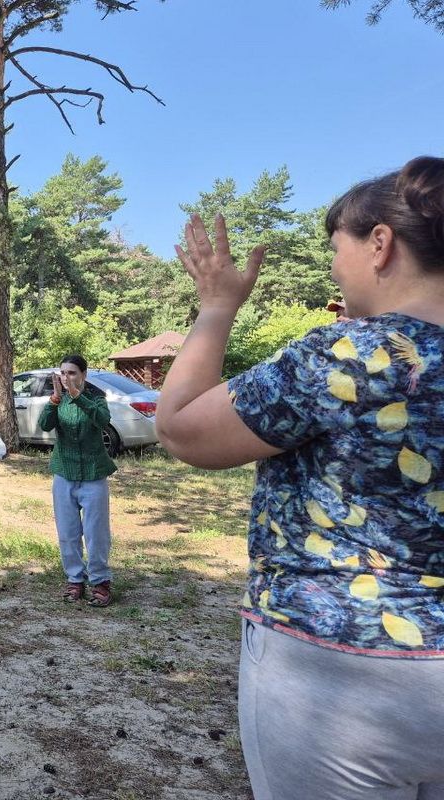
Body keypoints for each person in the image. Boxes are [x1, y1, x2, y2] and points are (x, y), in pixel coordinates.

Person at [156, 156, 444, 799]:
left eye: (335, 251)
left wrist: (217, 305)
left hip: (342, 675)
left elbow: (178, 427)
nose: (334, 272)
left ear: (380, 243)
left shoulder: (348, 354)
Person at [39, 354, 117, 607]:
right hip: (64, 473)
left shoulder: (96, 398)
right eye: (63, 372)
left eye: (72, 373)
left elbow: (102, 420)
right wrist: (54, 400)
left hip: (94, 474)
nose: (66, 377)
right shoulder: (57, 399)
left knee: (96, 533)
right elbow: (44, 425)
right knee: (68, 532)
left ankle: (100, 582)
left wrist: (77, 396)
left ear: (83, 375)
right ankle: (75, 580)